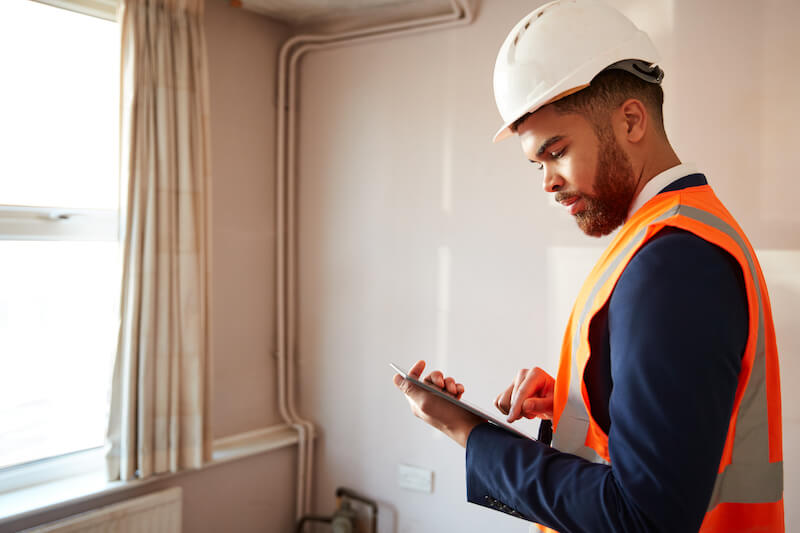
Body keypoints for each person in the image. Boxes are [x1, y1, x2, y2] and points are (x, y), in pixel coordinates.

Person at [392, 1, 784, 531]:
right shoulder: (670, 234)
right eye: (538, 164)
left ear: (629, 120)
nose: (547, 181)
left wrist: (469, 434)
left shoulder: (673, 259)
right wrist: (578, 400)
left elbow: (643, 518)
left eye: (556, 151)